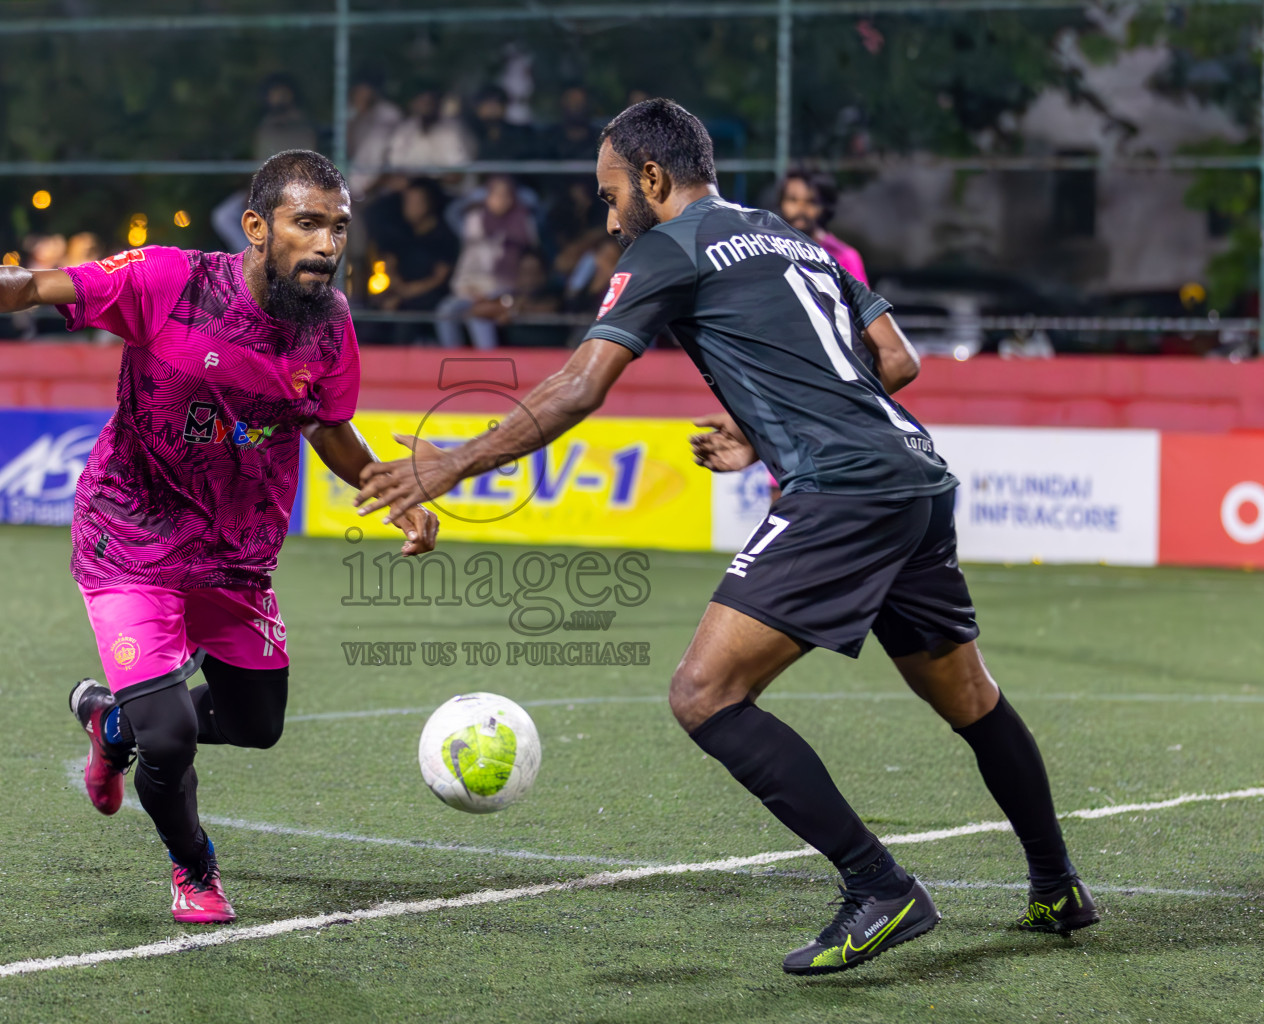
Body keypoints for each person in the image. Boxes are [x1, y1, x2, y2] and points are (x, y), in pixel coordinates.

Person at [355, 100, 1098, 975]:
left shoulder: (664, 247)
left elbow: (579, 386)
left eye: (608, 195)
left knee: (704, 694)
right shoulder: (789, 237)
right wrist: (768, 424)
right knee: (969, 697)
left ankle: (879, 886)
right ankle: (1056, 885)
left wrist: (457, 460)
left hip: (844, 494)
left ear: (653, 180)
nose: (607, 215)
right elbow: (896, 363)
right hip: (915, 480)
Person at [0, 150, 439, 925]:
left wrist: (388, 490)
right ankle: (194, 866)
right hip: (130, 534)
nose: (328, 244)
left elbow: (327, 426)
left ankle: (111, 718)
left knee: (258, 727)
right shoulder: (168, 280)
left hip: (236, 556)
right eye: (307, 224)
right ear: (258, 228)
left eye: (338, 227)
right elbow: (32, 284)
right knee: (170, 738)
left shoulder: (329, 325)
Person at [436, 175, 538, 349]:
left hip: (506, 290)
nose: (501, 200)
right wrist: (469, 288)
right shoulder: (474, 220)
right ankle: (451, 359)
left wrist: (488, 294)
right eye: (495, 194)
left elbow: (521, 269)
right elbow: (468, 260)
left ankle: (488, 360)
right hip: (470, 287)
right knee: (445, 312)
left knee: (479, 315)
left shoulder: (522, 221)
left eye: (506, 195)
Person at [373, 177, 460, 344]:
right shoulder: (401, 233)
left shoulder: (444, 236)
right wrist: (397, 290)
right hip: (401, 292)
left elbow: (438, 279)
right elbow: (389, 265)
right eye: (408, 201)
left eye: (416, 202)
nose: (410, 207)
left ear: (429, 203)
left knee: (406, 316)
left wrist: (405, 294)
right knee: (371, 313)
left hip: (432, 296)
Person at [778, 167, 868, 285]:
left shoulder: (844, 257)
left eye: (811, 201)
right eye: (792, 200)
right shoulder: (769, 251)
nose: (800, 209)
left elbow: (859, 302)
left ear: (825, 207)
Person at [253, 73, 318, 159]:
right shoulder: (264, 128)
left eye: (283, 93)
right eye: (275, 93)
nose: (279, 97)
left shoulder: (303, 128)